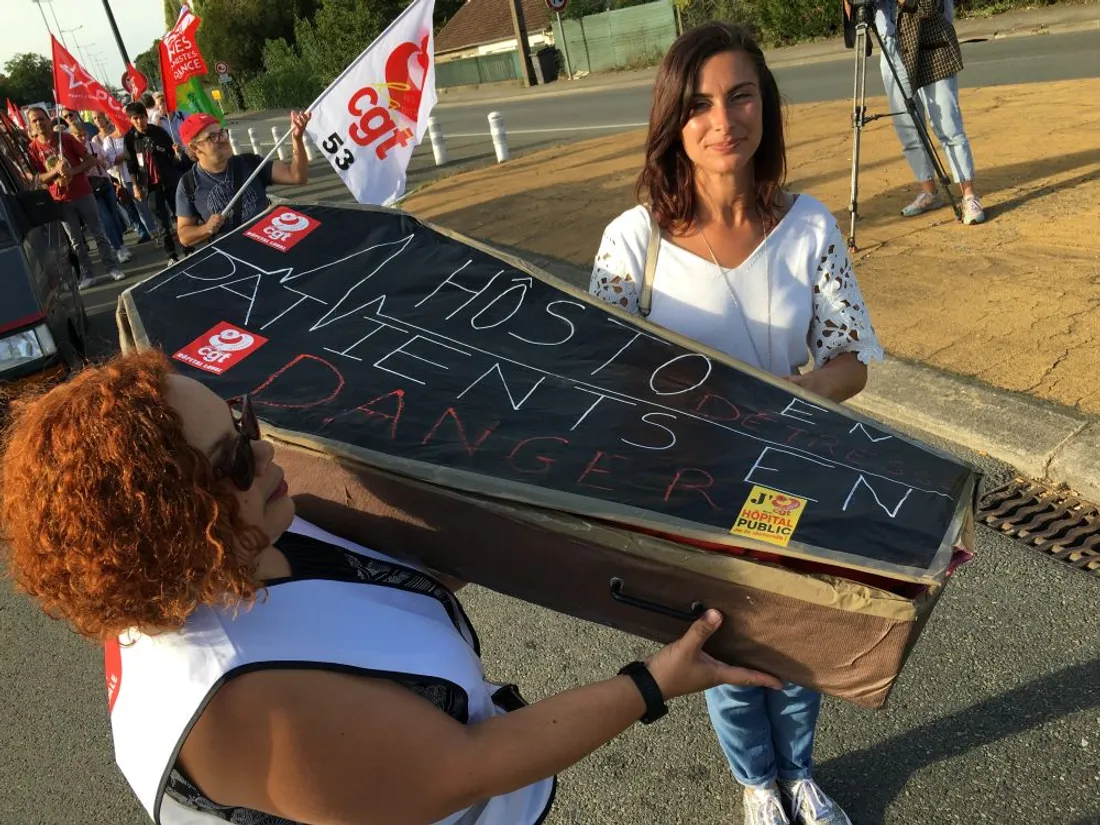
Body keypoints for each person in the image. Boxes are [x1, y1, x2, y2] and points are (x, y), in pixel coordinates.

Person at [0, 349, 781, 825]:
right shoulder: (236, 704)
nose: (266, 452)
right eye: (232, 459)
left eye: (243, 421)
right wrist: (656, 680)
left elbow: (381, 587)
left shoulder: (230, 545)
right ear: (167, 526)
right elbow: (469, 765)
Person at [588, 23, 884, 825]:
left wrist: (798, 394)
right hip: (690, 488)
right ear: (672, 120)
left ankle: (800, 774)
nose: (724, 121)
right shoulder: (631, 241)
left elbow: (851, 357)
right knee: (719, 645)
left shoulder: (809, 224)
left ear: (767, 105)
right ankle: (757, 782)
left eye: (742, 95)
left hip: (789, 475)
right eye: (700, 104)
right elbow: (601, 380)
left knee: (792, 634)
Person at [869, 0, 985, 224]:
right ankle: (928, 191)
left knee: (947, 124)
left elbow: (928, 6)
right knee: (908, 127)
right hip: (891, 45)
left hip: (929, 40)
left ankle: (969, 195)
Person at [176, 111, 311, 248]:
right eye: (213, 137)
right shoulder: (188, 184)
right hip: (237, 258)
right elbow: (184, 236)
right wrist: (206, 228)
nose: (223, 139)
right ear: (195, 147)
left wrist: (297, 138)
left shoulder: (249, 162)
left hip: (272, 245)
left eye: (222, 132)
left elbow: (297, 176)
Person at [23, 106, 124, 289]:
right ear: (30, 125)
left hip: (83, 193)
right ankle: (88, 274)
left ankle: (112, 268)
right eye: (34, 121)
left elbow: (90, 160)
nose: (39, 123)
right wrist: (55, 172)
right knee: (76, 241)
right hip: (60, 200)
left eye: (41, 118)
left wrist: (72, 171)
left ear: (48, 120)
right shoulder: (32, 149)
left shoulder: (66, 139)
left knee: (98, 233)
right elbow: (35, 177)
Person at [124, 100, 183, 264]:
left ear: (146, 116)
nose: (139, 122)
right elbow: (131, 165)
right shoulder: (129, 139)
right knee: (162, 222)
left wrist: (177, 153)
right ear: (130, 120)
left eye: (141, 117)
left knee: (181, 215)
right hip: (149, 184)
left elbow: (174, 157)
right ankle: (171, 255)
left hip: (169, 179)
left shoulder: (158, 131)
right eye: (135, 118)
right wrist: (135, 186)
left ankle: (188, 247)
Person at [93, 110, 155, 244]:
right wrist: (128, 154)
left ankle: (154, 230)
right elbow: (112, 160)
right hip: (125, 178)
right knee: (133, 208)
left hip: (143, 174)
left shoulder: (134, 134)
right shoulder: (109, 140)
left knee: (146, 206)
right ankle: (146, 232)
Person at [83, 112, 133, 264]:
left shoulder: (94, 146)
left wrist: (101, 162)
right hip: (90, 189)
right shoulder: (73, 153)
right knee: (106, 220)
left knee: (114, 216)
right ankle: (117, 249)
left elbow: (108, 162)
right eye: (76, 136)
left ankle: (122, 245)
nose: (80, 139)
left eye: (81, 135)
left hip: (105, 184)